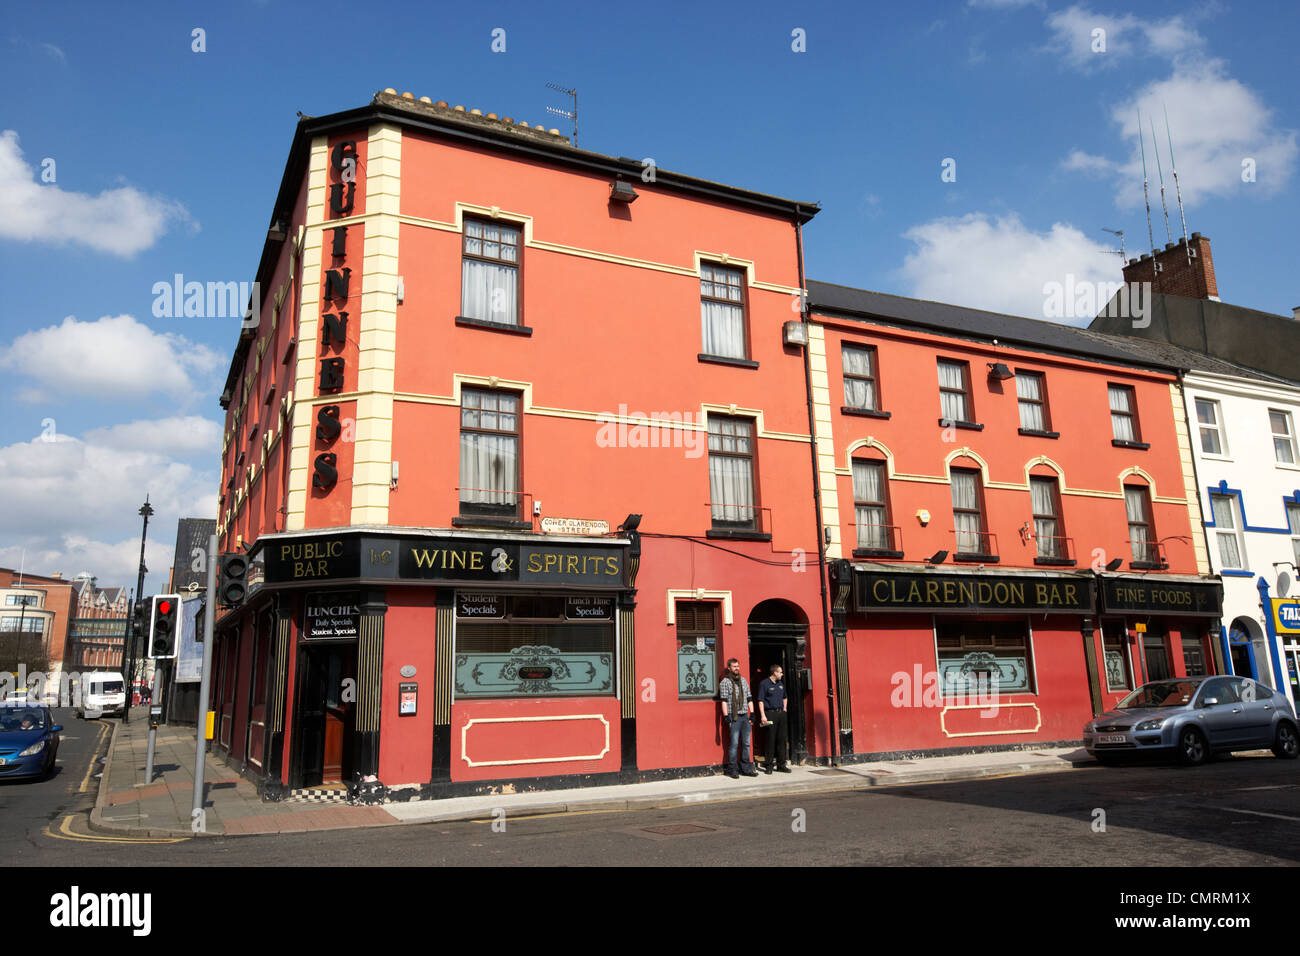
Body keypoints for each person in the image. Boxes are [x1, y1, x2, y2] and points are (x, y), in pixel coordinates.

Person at [718, 658, 757, 778]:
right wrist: (726, 716)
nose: (737, 668)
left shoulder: (744, 681)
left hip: (745, 715)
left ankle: (746, 768)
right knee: (734, 744)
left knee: (746, 743)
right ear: (729, 668)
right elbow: (723, 701)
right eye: (734, 666)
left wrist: (753, 713)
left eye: (738, 666)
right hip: (733, 716)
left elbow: (749, 698)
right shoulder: (725, 682)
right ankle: (732, 769)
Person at [757, 664, 791, 773]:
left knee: (782, 739)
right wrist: (763, 715)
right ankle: (769, 765)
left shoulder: (781, 684)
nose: (782, 674)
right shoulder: (764, 684)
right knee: (770, 740)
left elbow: (785, 697)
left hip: (781, 713)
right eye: (780, 672)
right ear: (774, 673)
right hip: (769, 714)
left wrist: (784, 708)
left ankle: (781, 765)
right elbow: (761, 700)